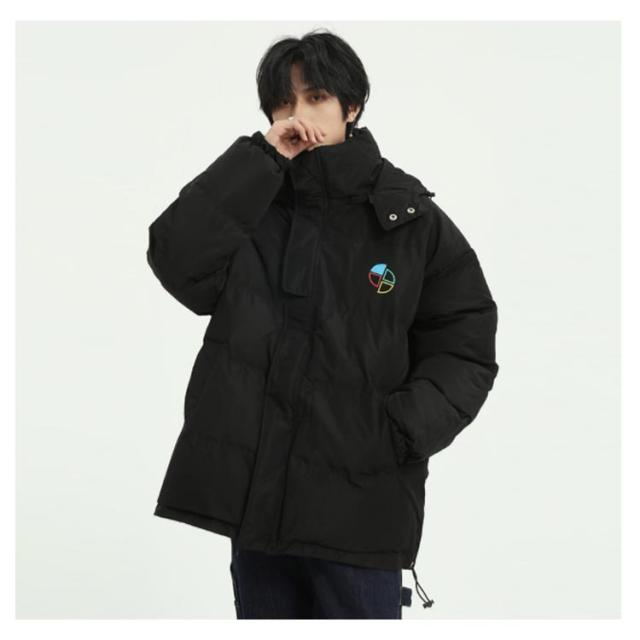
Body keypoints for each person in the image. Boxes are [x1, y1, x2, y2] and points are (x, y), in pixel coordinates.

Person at [146, 28, 499, 619]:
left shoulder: (408, 220)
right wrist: (259, 159)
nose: (299, 116)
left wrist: (397, 431)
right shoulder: (253, 202)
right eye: (283, 103)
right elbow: (176, 259)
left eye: (315, 98)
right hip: (258, 506)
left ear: (350, 106)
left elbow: (466, 343)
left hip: (359, 509)